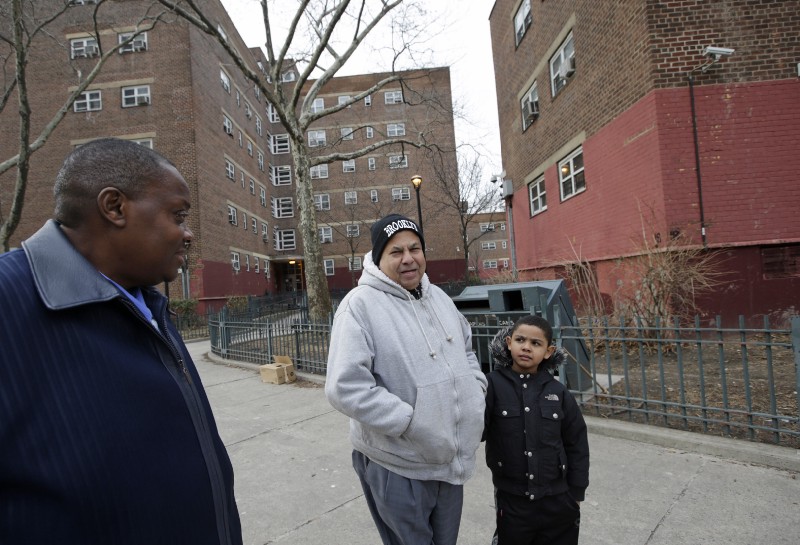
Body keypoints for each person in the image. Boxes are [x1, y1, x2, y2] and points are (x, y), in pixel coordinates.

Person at [0, 138, 242, 544]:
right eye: (178, 215)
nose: (189, 233)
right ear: (114, 207)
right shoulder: (9, 301)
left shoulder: (147, 301)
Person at [325, 213, 487, 545]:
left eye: (414, 248)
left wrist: (476, 392)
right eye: (396, 252)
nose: (408, 258)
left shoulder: (440, 299)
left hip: (449, 460)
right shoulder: (359, 306)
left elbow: (468, 351)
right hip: (398, 463)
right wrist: (409, 423)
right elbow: (345, 387)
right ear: (378, 258)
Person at [483, 315, 590, 545]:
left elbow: (577, 443)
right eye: (520, 340)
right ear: (509, 342)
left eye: (536, 343)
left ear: (549, 351)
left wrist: (576, 494)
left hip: (559, 501)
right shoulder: (492, 385)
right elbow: (476, 429)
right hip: (513, 501)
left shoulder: (557, 391)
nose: (526, 347)